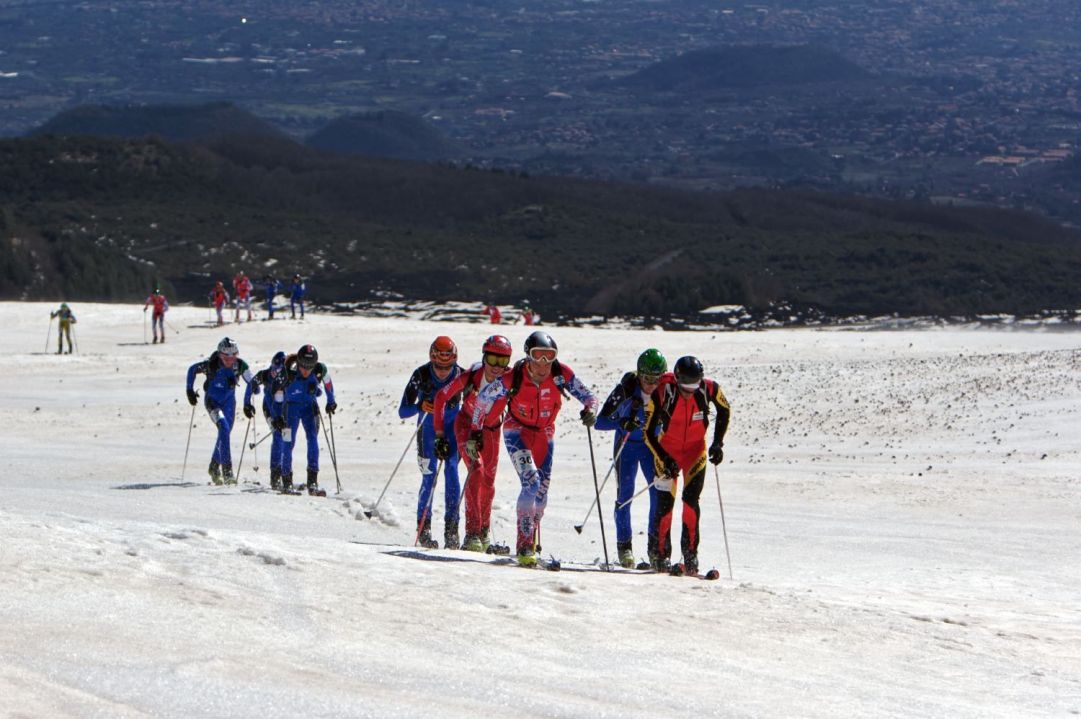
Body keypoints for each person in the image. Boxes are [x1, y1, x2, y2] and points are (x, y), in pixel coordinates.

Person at [470, 331, 598, 566]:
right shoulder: (514, 377)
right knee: (531, 483)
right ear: (528, 356)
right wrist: (476, 430)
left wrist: (590, 411)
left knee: (542, 495)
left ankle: (531, 533)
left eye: (549, 356)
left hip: (545, 433)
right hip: (516, 430)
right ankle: (524, 545)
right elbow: (483, 400)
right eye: (537, 356)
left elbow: (590, 397)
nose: (543, 363)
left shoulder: (561, 374)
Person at [643, 355, 730, 575]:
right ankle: (661, 556)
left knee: (690, 502)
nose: (690, 391)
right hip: (667, 451)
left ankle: (691, 557)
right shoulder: (663, 392)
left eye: (694, 385)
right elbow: (648, 433)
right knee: (665, 506)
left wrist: (717, 443)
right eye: (685, 386)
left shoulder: (709, 388)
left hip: (695, 452)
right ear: (677, 379)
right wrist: (665, 458)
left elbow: (725, 409)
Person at [432, 334, 513, 552]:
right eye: (493, 359)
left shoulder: (510, 379)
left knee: (488, 482)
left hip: (492, 430)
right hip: (467, 426)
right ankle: (472, 533)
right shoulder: (471, 377)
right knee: (475, 471)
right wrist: (440, 435)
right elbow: (441, 397)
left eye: (503, 361)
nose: (497, 366)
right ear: (484, 357)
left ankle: (484, 532)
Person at [595, 348, 667, 568]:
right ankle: (624, 546)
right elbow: (600, 422)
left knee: (657, 494)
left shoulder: (665, 392)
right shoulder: (626, 389)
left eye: (657, 379)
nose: (651, 385)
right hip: (626, 446)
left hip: (650, 448)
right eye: (646, 379)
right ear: (639, 374)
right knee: (625, 494)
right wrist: (622, 422)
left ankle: (654, 548)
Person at [398, 336, 464, 549]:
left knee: (452, 472)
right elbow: (403, 410)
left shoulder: (462, 375)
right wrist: (420, 406)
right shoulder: (421, 375)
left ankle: (451, 530)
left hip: (452, 429)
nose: (443, 371)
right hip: (427, 429)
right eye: (438, 366)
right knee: (429, 476)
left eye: (448, 366)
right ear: (432, 360)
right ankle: (424, 528)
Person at [185, 337, 255, 485]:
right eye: (225, 357)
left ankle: (214, 466)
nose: (230, 360)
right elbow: (192, 370)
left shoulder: (240, 366)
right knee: (223, 428)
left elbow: (253, 382)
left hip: (229, 404)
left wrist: (248, 402)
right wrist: (189, 390)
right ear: (220, 355)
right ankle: (228, 473)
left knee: (225, 435)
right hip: (213, 402)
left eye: (233, 356)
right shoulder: (211, 365)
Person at [270, 344, 337, 496]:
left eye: (310, 366)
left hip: (309, 408)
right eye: (303, 366)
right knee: (288, 442)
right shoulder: (289, 372)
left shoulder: (320, 369)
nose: (306, 370)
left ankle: (312, 480)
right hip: (290, 410)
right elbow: (276, 392)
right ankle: (286, 480)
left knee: (312, 439)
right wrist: (277, 416)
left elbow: (328, 383)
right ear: (298, 362)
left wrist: (331, 400)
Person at [248, 351, 287, 490]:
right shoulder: (264, 375)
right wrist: (247, 402)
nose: (276, 373)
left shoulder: (288, 377)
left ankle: (285, 474)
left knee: (286, 440)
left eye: (280, 370)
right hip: (269, 410)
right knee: (278, 436)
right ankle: (275, 476)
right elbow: (251, 384)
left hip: (284, 413)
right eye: (274, 369)